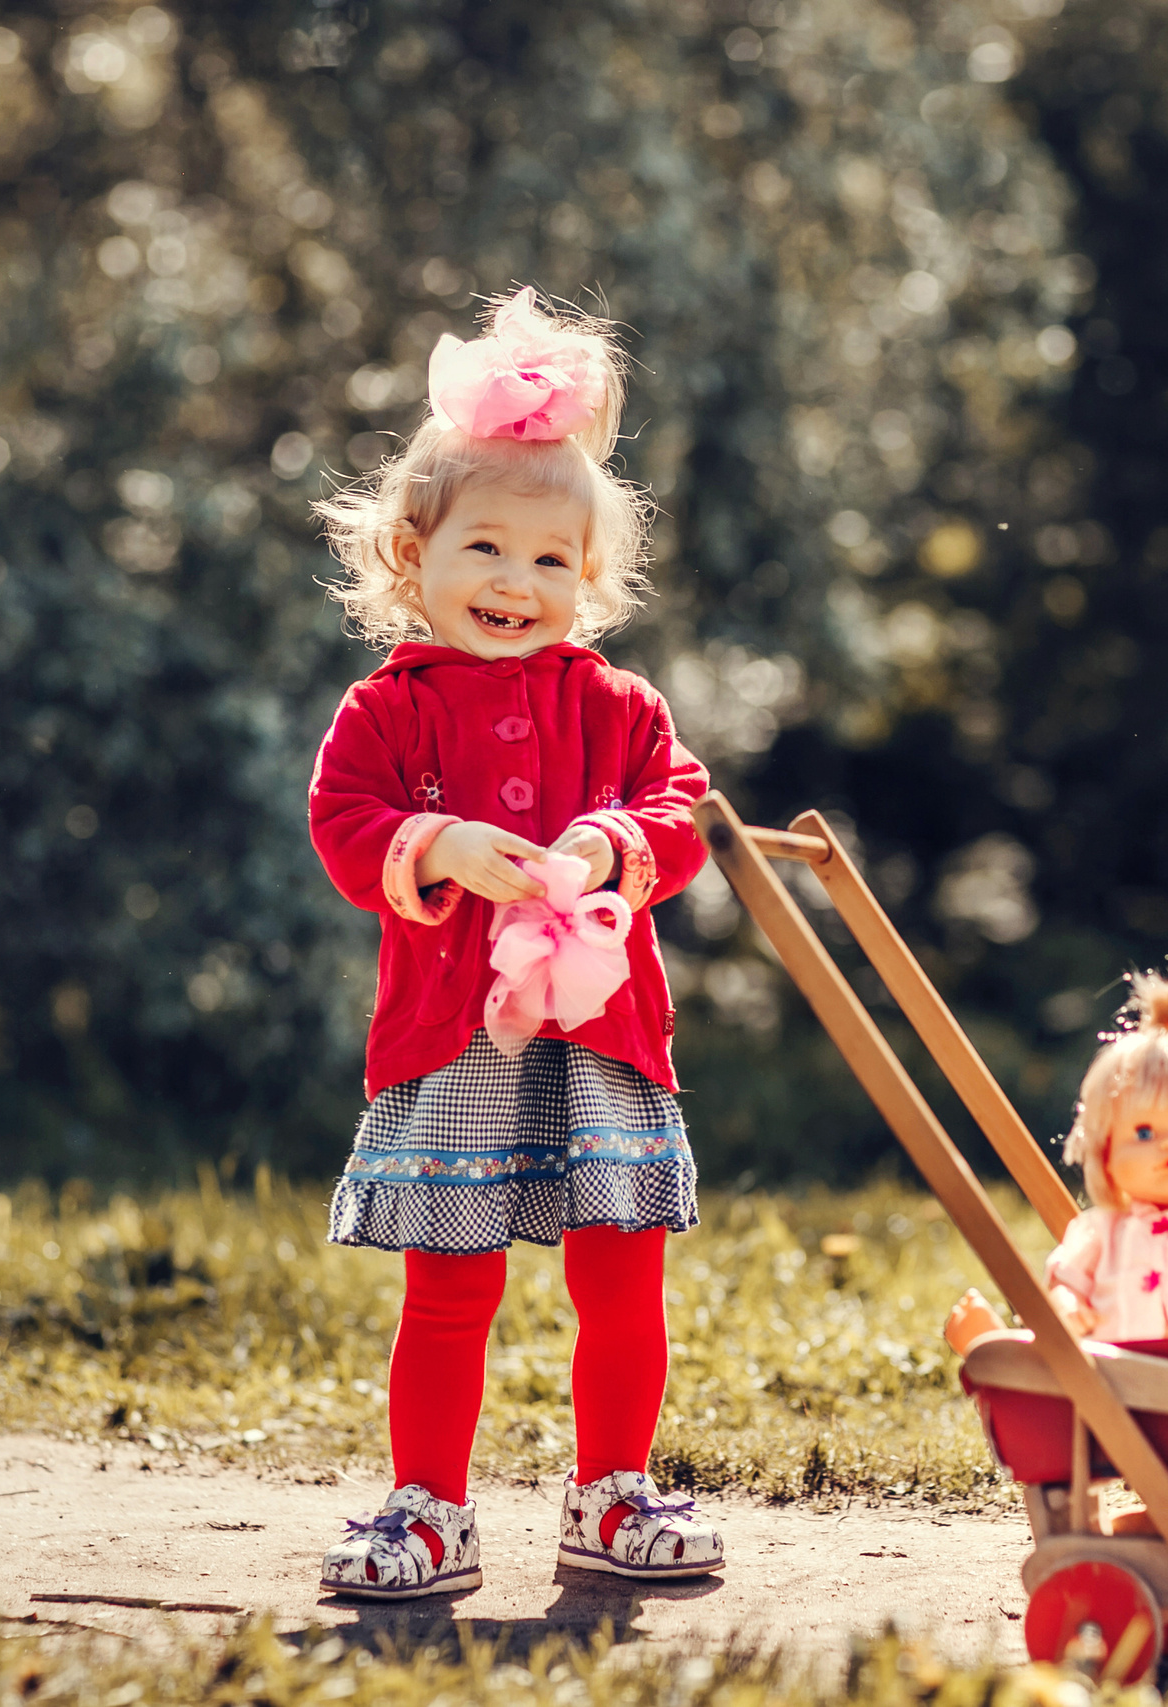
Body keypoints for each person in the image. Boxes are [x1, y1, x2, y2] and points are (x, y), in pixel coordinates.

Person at [307, 288, 723, 1599]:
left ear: (591, 578)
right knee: (449, 1285)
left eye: (552, 562)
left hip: (602, 1031)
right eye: (486, 548)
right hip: (455, 1029)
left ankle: (611, 1489)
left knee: (622, 1277)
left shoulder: (620, 705)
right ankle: (428, 1505)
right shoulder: (388, 709)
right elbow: (342, 822)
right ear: (412, 554)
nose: (517, 584)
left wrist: (609, 843)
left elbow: (682, 809)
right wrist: (432, 846)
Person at [946, 969, 1168, 1352]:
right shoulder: (1101, 1231)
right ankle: (990, 1348)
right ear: (1105, 1153)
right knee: (1057, 1367)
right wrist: (1066, 1306)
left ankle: (994, 1352)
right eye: (1143, 1133)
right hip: (1110, 1387)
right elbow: (1066, 1282)